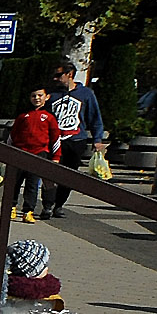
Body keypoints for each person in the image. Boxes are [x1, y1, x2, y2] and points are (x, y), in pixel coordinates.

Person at [44, 59, 106, 219]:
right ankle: (47, 204)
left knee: (69, 175)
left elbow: (94, 117)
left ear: (69, 74)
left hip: (76, 140)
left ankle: (59, 205)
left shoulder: (85, 94)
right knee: (49, 173)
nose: (55, 79)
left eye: (59, 75)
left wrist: (97, 139)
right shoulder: (51, 94)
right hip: (54, 141)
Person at [9, 86, 63, 222]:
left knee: (32, 184)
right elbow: (13, 135)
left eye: (40, 95)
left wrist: (56, 157)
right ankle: (12, 206)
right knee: (14, 182)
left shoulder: (50, 117)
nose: (37, 99)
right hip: (20, 153)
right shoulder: (23, 116)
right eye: (33, 96)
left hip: (39, 153)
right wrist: (8, 152)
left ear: (46, 97)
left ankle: (28, 210)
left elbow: (55, 138)